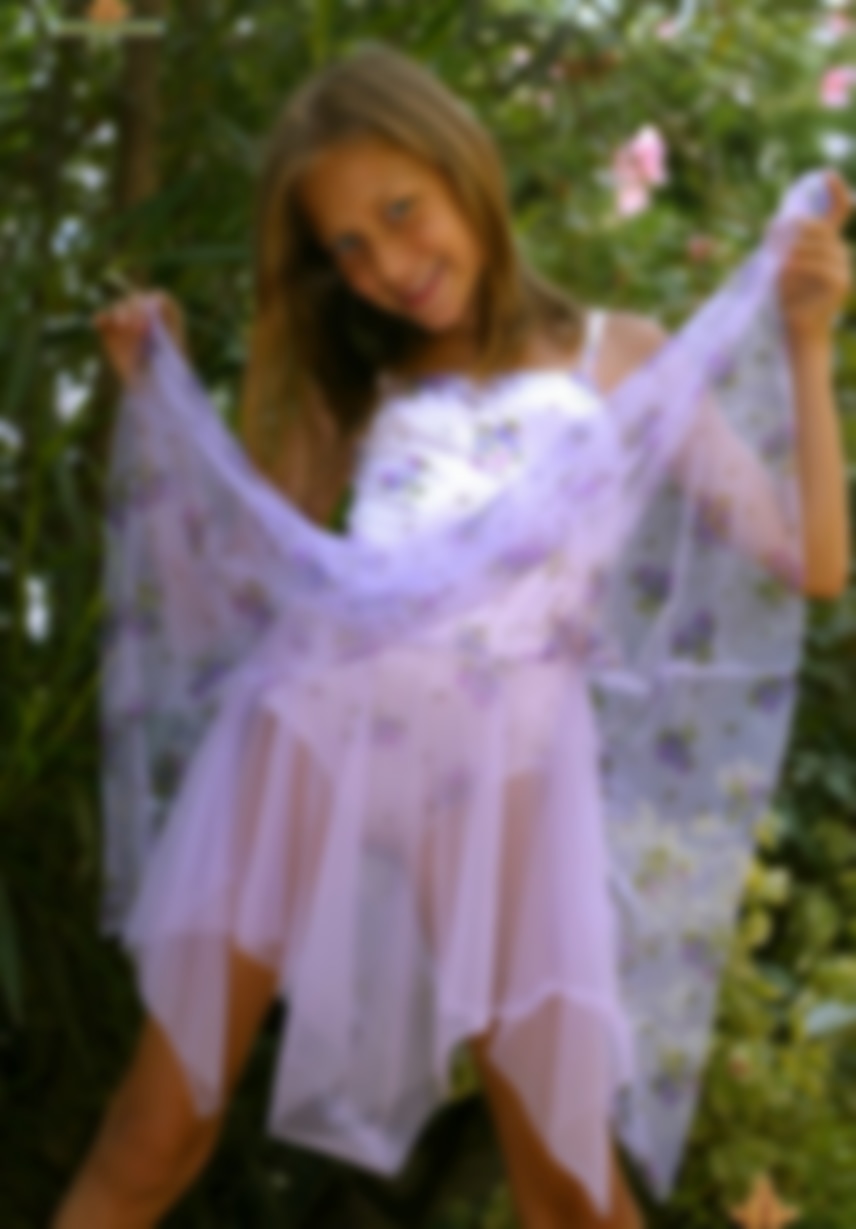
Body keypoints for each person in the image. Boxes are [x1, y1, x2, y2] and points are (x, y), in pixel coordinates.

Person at [54, 45, 851, 1229]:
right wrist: (151, 397)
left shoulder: (623, 356)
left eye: (400, 211)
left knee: (568, 1189)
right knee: (155, 1129)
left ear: (460, 165)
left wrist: (805, 343)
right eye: (348, 246)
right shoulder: (361, 382)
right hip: (310, 733)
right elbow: (232, 596)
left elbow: (813, 562)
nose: (386, 265)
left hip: (504, 775)